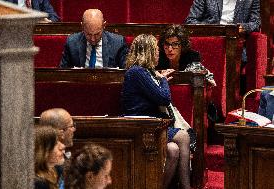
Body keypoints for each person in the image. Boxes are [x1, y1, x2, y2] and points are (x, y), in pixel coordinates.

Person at [122, 34, 191, 189]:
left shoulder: (144, 71)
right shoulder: (137, 72)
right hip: (140, 127)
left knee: (172, 150)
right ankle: (187, 187)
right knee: (183, 136)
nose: (159, 53)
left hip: (150, 124)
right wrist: (163, 80)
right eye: (156, 50)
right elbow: (163, 98)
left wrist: (160, 79)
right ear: (148, 52)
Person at [59, 9, 128, 69]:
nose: (93, 39)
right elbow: (63, 72)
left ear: (104, 25)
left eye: (97, 34)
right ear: (82, 26)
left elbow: (126, 73)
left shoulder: (118, 43)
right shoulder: (71, 42)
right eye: (88, 34)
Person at [185, 0, 261, 33]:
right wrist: (212, 30)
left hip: (236, 43)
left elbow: (256, 23)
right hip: (210, 40)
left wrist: (243, 27)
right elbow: (190, 21)